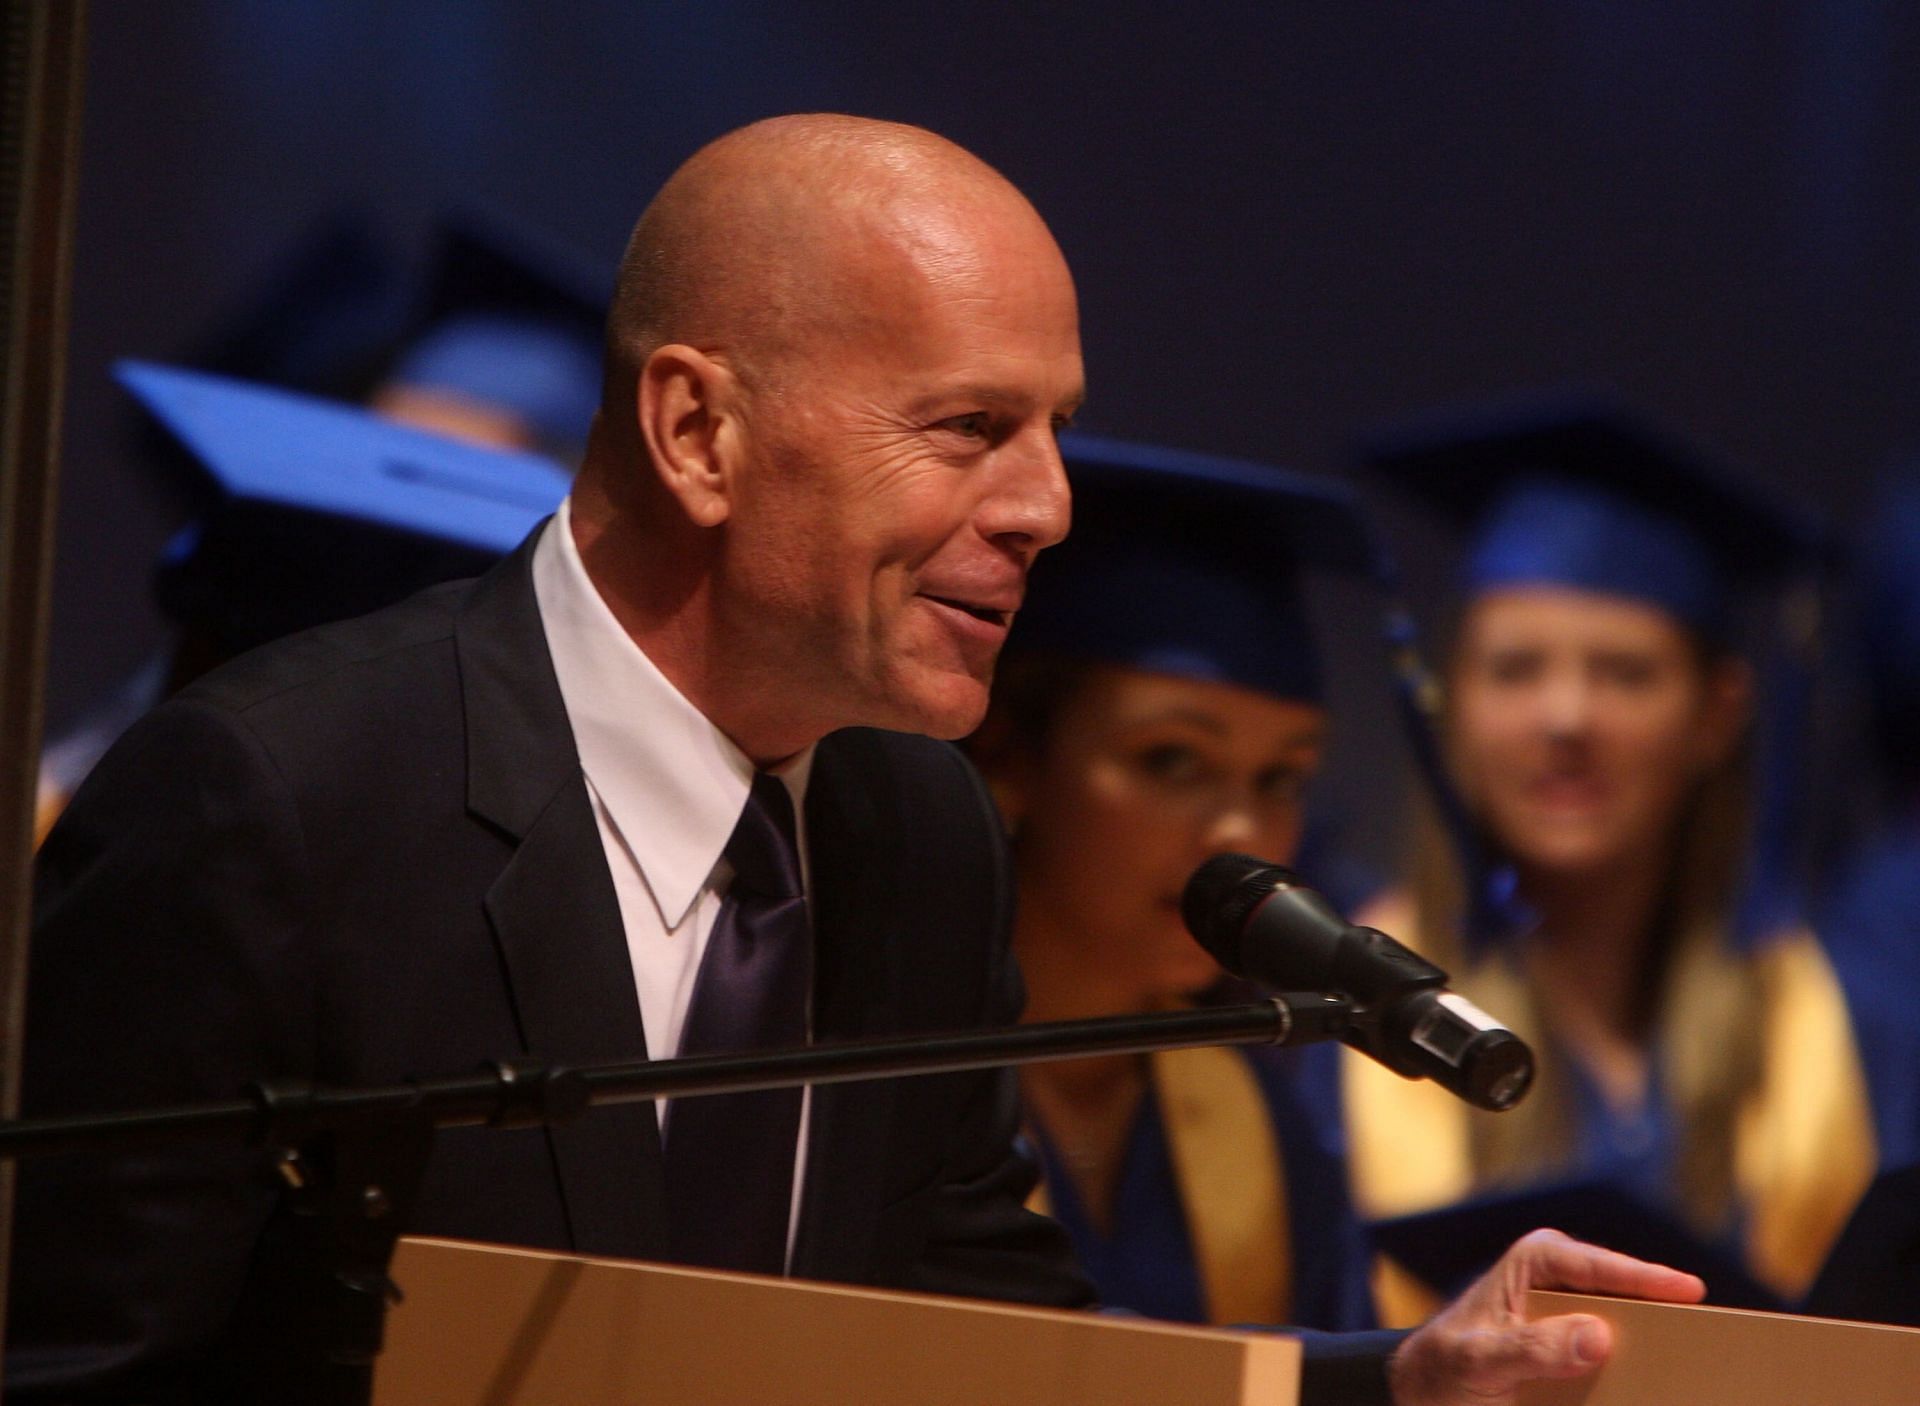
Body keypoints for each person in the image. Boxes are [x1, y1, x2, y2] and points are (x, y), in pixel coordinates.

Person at [12, 116, 1703, 1405]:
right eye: (972, 429)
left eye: (1052, 429)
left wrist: (1386, 1382)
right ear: (698, 433)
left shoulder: (912, 826)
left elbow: (984, 1346)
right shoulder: (274, 804)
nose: (1048, 505)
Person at [1342, 398, 1876, 1314]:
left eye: (1625, 673)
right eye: (1514, 669)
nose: (1565, 719)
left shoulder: (1808, 1009)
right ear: (1451, 702)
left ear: (1717, 713)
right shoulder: (1351, 1014)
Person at [964, 434, 1380, 1331]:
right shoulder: (880, 1083)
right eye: (1174, 761)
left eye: (1281, 780)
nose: (1240, 834)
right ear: (1013, 758)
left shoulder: (1263, 1126)